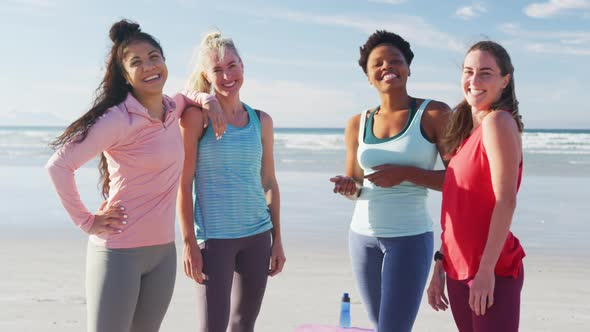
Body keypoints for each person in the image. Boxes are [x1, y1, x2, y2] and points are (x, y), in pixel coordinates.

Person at [45, 19, 224, 332]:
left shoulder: (172, 108)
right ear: (125, 76)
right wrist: (87, 221)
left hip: (162, 255)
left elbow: (186, 95)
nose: (149, 66)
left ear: (164, 61)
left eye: (154, 57)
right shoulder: (118, 119)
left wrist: (207, 99)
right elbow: (59, 166)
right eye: (136, 62)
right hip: (118, 253)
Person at [330, 30, 450, 331]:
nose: (387, 67)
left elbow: (458, 181)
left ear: (408, 67)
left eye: (395, 61)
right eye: (378, 64)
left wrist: (408, 174)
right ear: (368, 76)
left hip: (409, 237)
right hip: (361, 237)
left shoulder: (434, 113)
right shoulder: (357, 123)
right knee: (378, 324)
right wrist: (348, 186)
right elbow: (357, 186)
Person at [177, 31, 286, 332]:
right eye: (217, 69)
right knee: (212, 327)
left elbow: (269, 183)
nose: (227, 75)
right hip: (214, 239)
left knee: (243, 325)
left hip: (258, 235)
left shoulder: (262, 121)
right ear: (206, 75)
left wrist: (277, 239)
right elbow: (184, 184)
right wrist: (189, 243)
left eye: (232, 65)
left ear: (243, 66)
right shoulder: (195, 119)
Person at [426, 41, 526, 332]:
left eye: (485, 73)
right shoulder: (467, 131)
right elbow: (457, 205)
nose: (474, 80)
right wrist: (440, 264)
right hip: (458, 269)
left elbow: (505, 200)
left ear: (504, 80)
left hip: (491, 271)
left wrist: (485, 272)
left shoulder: (498, 122)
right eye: (469, 71)